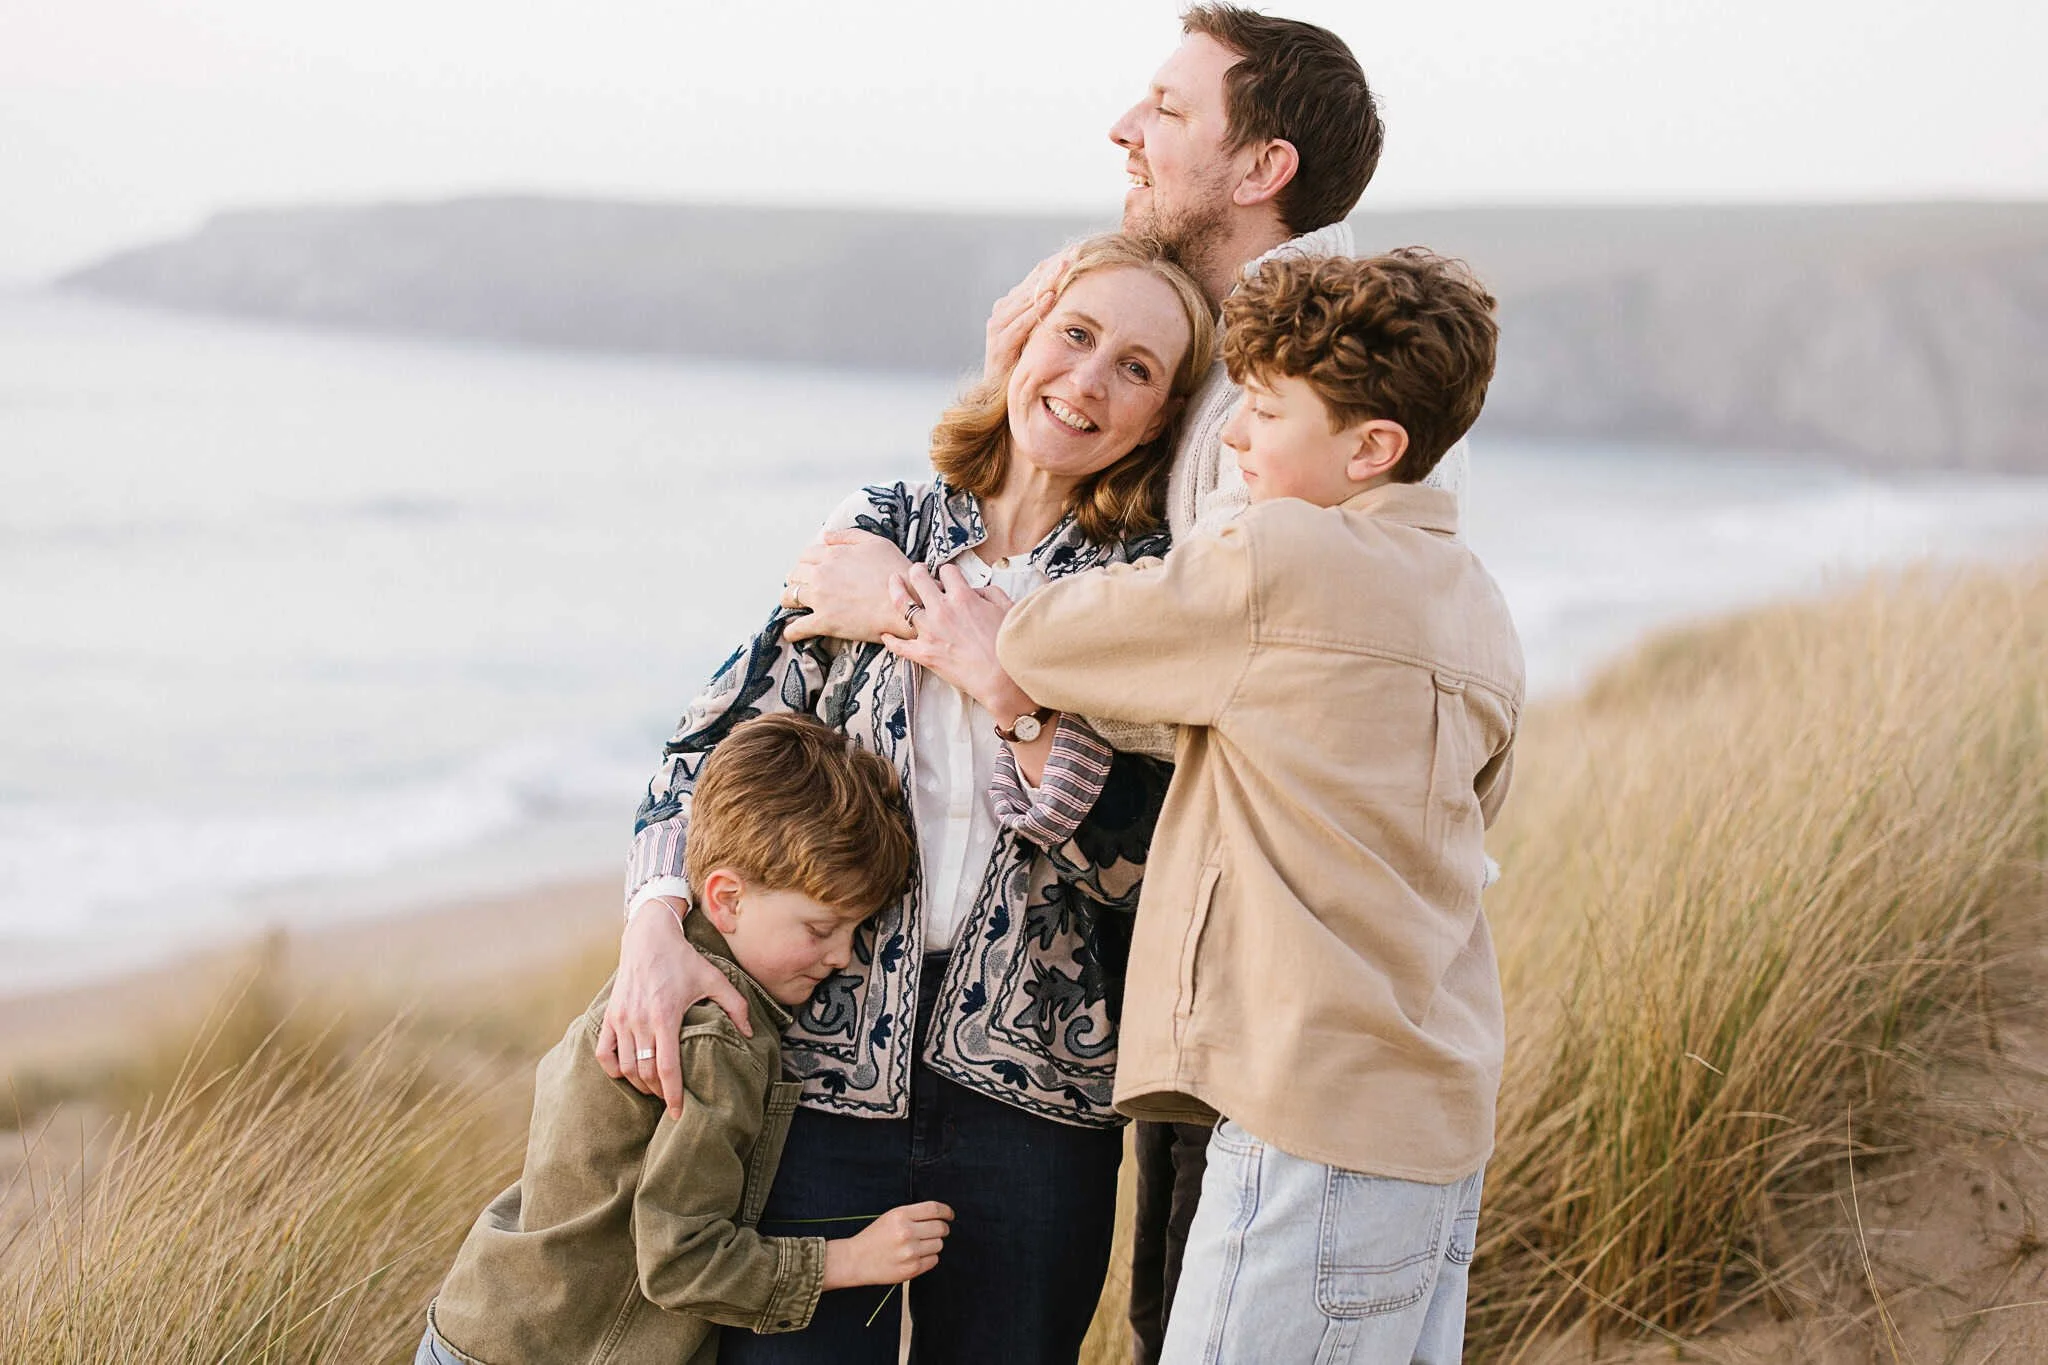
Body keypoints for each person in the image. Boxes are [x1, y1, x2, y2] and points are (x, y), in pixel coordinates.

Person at [786, 9, 1470, 1357]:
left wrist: (939, 625)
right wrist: (1008, 410)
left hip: (1260, 1004)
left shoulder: (1258, 416)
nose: (1125, 130)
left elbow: (1206, 677)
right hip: (1253, 993)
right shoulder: (1241, 383)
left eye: (1165, 107)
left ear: (1259, 165)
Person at [601, 233, 1217, 1362]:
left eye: (1135, 367)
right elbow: (707, 748)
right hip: (811, 1075)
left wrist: (1002, 686)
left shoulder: (1151, 590)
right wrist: (653, 929)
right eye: (1074, 336)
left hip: (1041, 1101)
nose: (1087, 379)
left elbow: (1148, 863)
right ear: (1019, 342)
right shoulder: (882, 525)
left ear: (1163, 414)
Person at [994, 249, 1523, 1364]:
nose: (1231, 439)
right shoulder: (1479, 605)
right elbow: (1476, 813)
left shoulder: (1277, 556)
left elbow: (1040, 638)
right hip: (1434, 1126)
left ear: (1370, 448)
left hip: (1307, 1123)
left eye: (1265, 411)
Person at [417, 715, 942, 1365]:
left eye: (856, 932)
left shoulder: (659, 975)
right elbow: (679, 1261)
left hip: (484, 1326)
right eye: (820, 927)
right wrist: (851, 1259)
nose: (840, 954)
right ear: (727, 896)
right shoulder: (717, 1036)